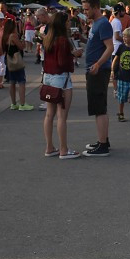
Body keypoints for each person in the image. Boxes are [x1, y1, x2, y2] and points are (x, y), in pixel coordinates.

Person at [42, 12, 82, 159]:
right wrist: (74, 54)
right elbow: (62, 62)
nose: (69, 24)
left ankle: (49, 147)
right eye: (68, 21)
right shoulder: (63, 40)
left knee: (49, 114)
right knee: (62, 116)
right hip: (61, 78)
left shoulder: (48, 39)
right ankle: (64, 149)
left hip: (48, 77)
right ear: (63, 23)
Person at [82, 0, 115, 154]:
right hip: (95, 69)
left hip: (99, 70)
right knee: (97, 107)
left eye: (87, 9)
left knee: (99, 107)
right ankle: (102, 140)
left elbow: (110, 47)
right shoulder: (96, 23)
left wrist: (98, 64)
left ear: (96, 7)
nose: (85, 12)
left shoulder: (102, 24)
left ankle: (103, 145)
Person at [0, 18, 33, 112]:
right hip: (16, 60)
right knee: (21, 82)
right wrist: (22, 40)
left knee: (12, 82)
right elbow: (21, 47)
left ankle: (13, 103)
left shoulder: (5, 36)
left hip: (9, 60)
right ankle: (22, 103)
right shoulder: (13, 36)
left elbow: (3, 49)